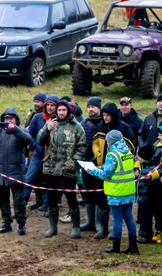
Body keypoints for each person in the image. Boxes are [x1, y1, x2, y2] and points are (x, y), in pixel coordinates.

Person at [85, 101, 136, 238]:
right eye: (104, 115)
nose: (105, 118)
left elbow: (131, 147)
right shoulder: (100, 126)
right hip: (103, 167)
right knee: (102, 200)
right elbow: (95, 143)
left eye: (108, 115)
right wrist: (98, 155)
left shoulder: (124, 128)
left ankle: (117, 234)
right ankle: (102, 228)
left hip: (118, 174)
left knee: (120, 211)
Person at [0, 108, 33, 235]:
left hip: (16, 172)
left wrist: (14, 129)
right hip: (0, 172)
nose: (7, 121)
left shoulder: (21, 131)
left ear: (16, 120)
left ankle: (21, 224)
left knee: (19, 202)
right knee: (2, 201)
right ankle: (6, 223)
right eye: (5, 119)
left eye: (11, 119)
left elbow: (28, 139)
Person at [37, 99, 85, 238]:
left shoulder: (76, 126)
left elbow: (82, 145)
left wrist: (74, 160)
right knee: (52, 198)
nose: (61, 112)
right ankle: (53, 227)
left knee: (71, 197)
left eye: (64, 110)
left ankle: (76, 227)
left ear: (68, 111)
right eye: (59, 110)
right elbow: (39, 141)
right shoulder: (51, 124)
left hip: (68, 169)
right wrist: (47, 129)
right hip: (51, 168)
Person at [88, 130, 139, 254]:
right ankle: (133, 245)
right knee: (129, 217)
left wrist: (92, 170)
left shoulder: (112, 155)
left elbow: (106, 174)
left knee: (117, 219)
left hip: (116, 192)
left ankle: (116, 246)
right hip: (129, 189)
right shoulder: (127, 151)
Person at [24, 94, 57, 212]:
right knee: (28, 179)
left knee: (50, 183)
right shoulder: (37, 117)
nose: (50, 107)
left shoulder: (60, 120)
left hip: (53, 157)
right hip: (38, 155)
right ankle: (21, 206)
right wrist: (36, 146)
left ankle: (48, 206)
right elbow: (29, 134)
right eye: (48, 104)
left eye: (52, 105)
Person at [80, 97, 104, 235]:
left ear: (99, 108)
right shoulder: (83, 124)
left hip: (101, 164)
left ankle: (100, 223)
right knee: (88, 192)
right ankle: (90, 222)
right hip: (86, 162)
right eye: (89, 106)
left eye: (94, 106)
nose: (91, 109)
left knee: (100, 193)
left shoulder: (104, 124)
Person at [136, 142, 162, 244]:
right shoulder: (144, 167)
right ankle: (145, 233)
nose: (137, 157)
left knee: (145, 217)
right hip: (143, 197)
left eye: (139, 156)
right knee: (144, 217)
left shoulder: (147, 171)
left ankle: (145, 235)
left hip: (146, 198)